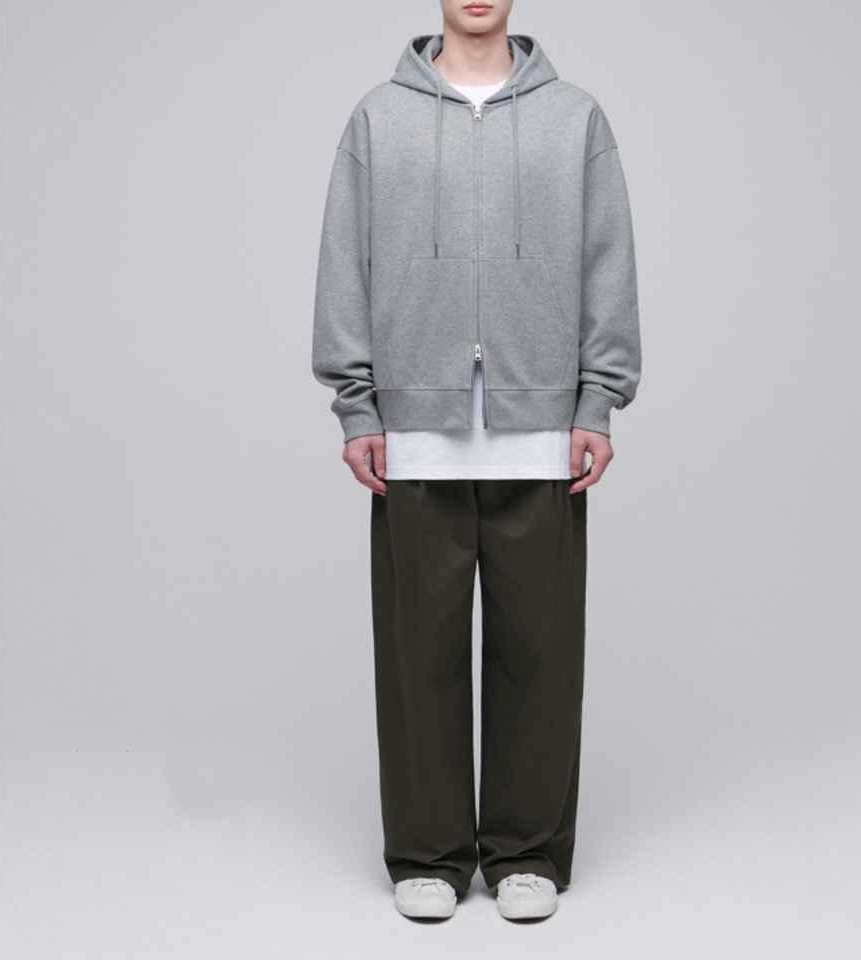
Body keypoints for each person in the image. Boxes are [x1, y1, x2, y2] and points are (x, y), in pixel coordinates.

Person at [312, 0, 641, 922]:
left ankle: (526, 852)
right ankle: (428, 853)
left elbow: (608, 260)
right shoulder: (379, 119)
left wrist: (598, 398)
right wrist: (356, 404)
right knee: (419, 656)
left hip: (543, 429)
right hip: (415, 428)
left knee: (540, 652)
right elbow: (344, 262)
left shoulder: (574, 118)